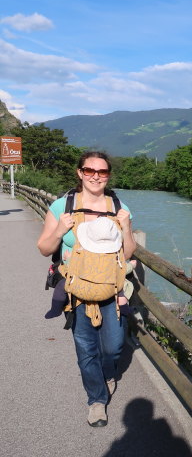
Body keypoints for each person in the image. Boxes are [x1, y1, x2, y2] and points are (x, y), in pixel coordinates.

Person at [37, 150, 136, 427]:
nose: (96, 176)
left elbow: (128, 253)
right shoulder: (62, 206)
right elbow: (44, 248)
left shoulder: (119, 207)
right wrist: (59, 231)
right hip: (76, 293)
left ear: (108, 175)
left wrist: (126, 228)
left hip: (112, 291)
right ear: (80, 172)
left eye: (102, 172)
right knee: (86, 349)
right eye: (89, 170)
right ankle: (96, 400)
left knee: (114, 348)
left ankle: (107, 373)